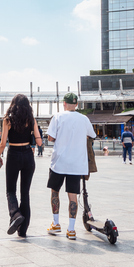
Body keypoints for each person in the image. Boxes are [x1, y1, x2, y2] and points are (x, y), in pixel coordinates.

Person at [46, 93, 96, 241]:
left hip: (59, 163)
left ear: (64, 103)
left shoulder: (58, 117)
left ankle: (56, 224)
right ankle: (71, 229)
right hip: (77, 164)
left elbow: (50, 138)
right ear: (76, 104)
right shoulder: (84, 119)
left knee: (55, 192)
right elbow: (91, 135)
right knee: (72, 195)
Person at [0, 94, 42, 237]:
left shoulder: (8, 120)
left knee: (10, 191)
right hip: (28, 155)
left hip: (13, 154)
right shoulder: (31, 119)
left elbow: (3, 143)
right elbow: (39, 142)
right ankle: (23, 231)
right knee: (25, 194)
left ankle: (15, 215)